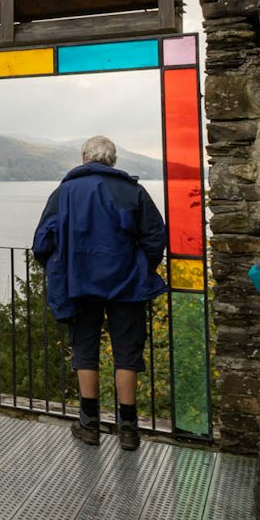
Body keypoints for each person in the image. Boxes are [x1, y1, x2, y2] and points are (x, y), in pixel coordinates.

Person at [31, 135, 167, 452]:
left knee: (84, 350)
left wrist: (60, 265)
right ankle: (129, 430)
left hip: (79, 285)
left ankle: (89, 425)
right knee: (128, 354)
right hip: (126, 286)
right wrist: (139, 265)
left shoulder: (63, 193)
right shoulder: (132, 191)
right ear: (113, 160)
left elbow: (42, 242)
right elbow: (155, 236)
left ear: (84, 158)